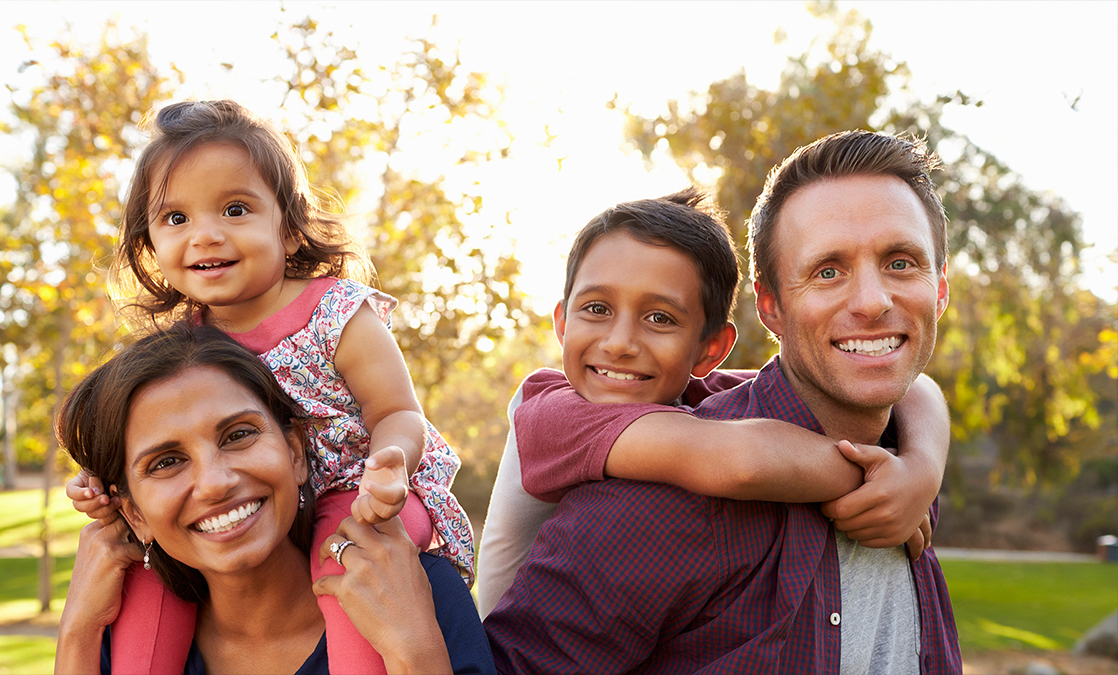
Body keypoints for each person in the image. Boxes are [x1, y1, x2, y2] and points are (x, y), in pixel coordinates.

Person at [485, 131, 961, 673]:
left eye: (901, 262)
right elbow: (740, 460)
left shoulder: (905, 463)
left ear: (940, 289)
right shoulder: (655, 501)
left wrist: (919, 469)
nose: (873, 301)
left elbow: (922, 390)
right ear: (771, 307)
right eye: (828, 270)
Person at [66, 100, 473, 675]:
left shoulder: (336, 313)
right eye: (176, 219)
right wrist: (98, 486)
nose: (205, 235)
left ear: (287, 224)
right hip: (253, 516)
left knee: (346, 575)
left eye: (234, 209)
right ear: (149, 243)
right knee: (149, 583)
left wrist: (390, 466)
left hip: (359, 496)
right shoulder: (186, 348)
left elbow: (399, 411)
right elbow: (136, 445)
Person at [54, 324, 492, 675]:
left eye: (239, 435)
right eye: (166, 462)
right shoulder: (119, 639)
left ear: (296, 453)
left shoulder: (412, 592)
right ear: (135, 515)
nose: (214, 483)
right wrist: (78, 630)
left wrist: (414, 651)